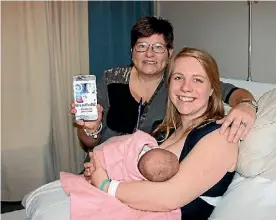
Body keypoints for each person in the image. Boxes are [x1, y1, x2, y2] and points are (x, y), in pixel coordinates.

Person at [70, 16, 258, 164]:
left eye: (158, 47)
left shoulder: (180, 85)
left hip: (143, 173)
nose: (149, 54)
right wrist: (91, 129)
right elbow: (89, 142)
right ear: (132, 51)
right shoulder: (111, 79)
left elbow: (231, 92)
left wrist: (246, 105)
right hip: (101, 165)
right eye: (142, 46)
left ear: (169, 53)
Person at [84, 47, 239, 220]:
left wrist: (105, 184)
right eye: (178, 77)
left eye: (197, 80)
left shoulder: (221, 136)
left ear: (212, 89)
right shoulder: (163, 131)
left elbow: (169, 196)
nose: (186, 88)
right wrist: (101, 169)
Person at [60, 130, 180, 220]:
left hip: (101, 170)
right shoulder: (135, 145)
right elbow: (111, 152)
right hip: (99, 163)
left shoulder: (144, 142)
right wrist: (100, 174)